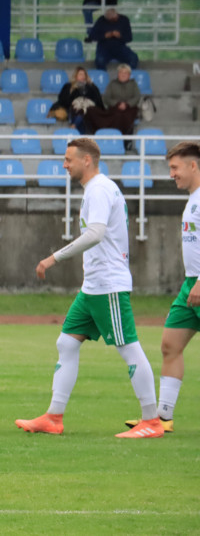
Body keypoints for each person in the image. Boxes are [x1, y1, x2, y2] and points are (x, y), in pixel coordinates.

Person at [18, 137, 163, 439]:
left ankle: (152, 421)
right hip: (93, 287)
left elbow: (96, 234)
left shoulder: (98, 189)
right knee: (67, 344)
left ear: (87, 160)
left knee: (128, 347)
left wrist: (53, 258)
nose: (64, 164)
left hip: (108, 285)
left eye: (69, 159)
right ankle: (54, 417)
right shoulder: (99, 189)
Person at [123, 142, 200, 433]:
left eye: (175, 168)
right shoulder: (193, 198)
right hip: (190, 284)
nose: (172, 174)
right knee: (170, 345)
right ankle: (163, 417)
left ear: (193, 166)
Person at [87, 64, 142, 146]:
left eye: (125, 73)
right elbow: (106, 98)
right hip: (115, 108)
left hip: (130, 108)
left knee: (125, 116)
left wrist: (127, 104)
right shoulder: (112, 84)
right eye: (121, 72)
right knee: (116, 115)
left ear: (129, 75)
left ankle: (126, 140)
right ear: (118, 74)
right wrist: (117, 103)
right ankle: (112, 138)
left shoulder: (133, 84)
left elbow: (137, 97)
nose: (123, 74)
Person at [51, 66, 104, 134]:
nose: (82, 76)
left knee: (86, 111)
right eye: (80, 74)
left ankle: (74, 126)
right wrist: (74, 92)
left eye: (84, 74)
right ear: (76, 76)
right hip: (73, 108)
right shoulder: (69, 86)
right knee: (79, 111)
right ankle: (76, 129)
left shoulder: (92, 87)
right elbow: (63, 100)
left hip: (89, 109)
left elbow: (97, 100)